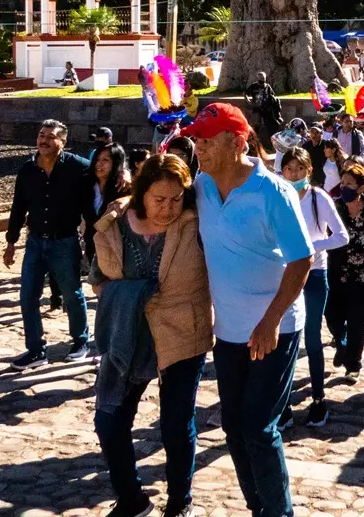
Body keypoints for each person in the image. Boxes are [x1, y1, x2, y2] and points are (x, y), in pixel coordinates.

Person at [184, 103, 313, 517]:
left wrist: (271, 319)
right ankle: (259, 508)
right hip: (229, 333)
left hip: (274, 328)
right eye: (197, 140)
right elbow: (156, 201)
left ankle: (280, 513)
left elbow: (301, 260)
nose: (199, 147)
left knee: (259, 428)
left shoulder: (272, 192)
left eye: (207, 140)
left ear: (237, 143)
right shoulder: (201, 186)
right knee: (234, 429)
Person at [91, 153, 211, 517]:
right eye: (159, 199)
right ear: (141, 194)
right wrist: (129, 297)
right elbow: (98, 278)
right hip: (127, 334)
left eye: (176, 198)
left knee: (176, 424)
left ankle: (180, 502)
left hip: (182, 332)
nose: (168, 208)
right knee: (109, 420)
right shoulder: (116, 222)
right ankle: (132, 499)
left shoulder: (196, 223)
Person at [4, 119, 94, 367]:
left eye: (50, 137)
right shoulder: (27, 170)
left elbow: (104, 172)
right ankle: (36, 350)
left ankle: (80, 341)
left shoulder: (78, 167)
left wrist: (124, 175)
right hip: (34, 243)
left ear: (62, 141)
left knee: (72, 294)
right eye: (41, 135)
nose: (43, 141)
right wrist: (11, 242)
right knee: (27, 297)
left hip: (65, 242)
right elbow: (18, 207)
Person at [278, 148, 348, 429]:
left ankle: (318, 400)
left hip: (315, 273)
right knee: (285, 339)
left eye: (299, 168)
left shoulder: (319, 198)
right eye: (289, 169)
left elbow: (341, 236)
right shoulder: (278, 196)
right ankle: (283, 405)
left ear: (309, 170)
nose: (294, 174)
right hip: (282, 276)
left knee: (312, 337)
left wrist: (310, 246)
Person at [325, 163, 364, 382]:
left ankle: (353, 364)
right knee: (332, 316)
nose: (344, 187)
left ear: (360, 187)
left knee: (358, 322)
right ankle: (341, 343)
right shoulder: (334, 207)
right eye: (342, 183)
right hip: (336, 274)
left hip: (362, 277)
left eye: (349, 183)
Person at [245, 72, 284, 140]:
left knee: (270, 125)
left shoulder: (267, 86)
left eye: (264, 78)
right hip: (257, 108)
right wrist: (248, 101)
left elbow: (272, 95)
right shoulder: (253, 86)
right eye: (261, 78)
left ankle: (271, 139)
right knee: (257, 124)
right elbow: (245, 93)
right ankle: (254, 138)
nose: (263, 79)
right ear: (258, 78)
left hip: (266, 108)